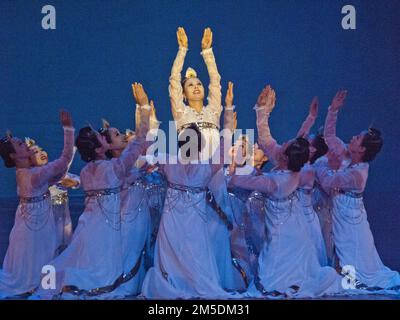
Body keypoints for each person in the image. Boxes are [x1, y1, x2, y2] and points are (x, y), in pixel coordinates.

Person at [31, 92, 152, 300]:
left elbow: (122, 181)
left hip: (87, 226)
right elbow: (139, 140)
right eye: (99, 138)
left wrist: (140, 173)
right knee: (97, 269)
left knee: (79, 258)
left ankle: (59, 284)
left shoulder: (87, 171)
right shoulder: (115, 168)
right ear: (99, 148)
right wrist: (144, 108)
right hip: (105, 229)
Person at [229, 86, 344, 298]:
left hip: (292, 226)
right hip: (292, 224)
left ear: (284, 157)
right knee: (298, 259)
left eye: (285, 146)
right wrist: (263, 112)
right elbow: (274, 140)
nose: (282, 144)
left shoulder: (290, 176)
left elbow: (239, 181)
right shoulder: (295, 168)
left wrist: (233, 167)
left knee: (280, 267)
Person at [316, 90, 400, 292]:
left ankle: (356, 280)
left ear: (362, 149)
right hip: (342, 210)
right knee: (346, 248)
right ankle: (351, 277)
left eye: (357, 138)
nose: (352, 137)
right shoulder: (346, 153)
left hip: (350, 215)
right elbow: (329, 136)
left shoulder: (358, 174)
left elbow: (328, 181)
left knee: (353, 248)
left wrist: (326, 166)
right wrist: (334, 109)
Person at [0, 111, 75, 299]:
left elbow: (57, 175)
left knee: (34, 261)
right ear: (13, 155)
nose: (24, 144)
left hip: (30, 221)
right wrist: (68, 128)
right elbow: (64, 160)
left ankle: (33, 284)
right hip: (35, 226)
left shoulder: (27, 172)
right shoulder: (33, 176)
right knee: (40, 257)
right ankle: (35, 286)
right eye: (19, 144)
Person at [169, 27, 222, 161]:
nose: (196, 87)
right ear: (184, 94)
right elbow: (175, 80)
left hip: (214, 172)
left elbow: (215, 81)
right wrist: (182, 50)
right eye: (190, 85)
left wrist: (207, 52)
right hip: (190, 173)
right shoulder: (181, 112)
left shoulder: (213, 111)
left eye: (199, 84)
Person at [25, 138, 80, 255]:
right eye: (35, 152)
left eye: (41, 150)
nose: (41, 153)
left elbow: (72, 176)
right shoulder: (36, 174)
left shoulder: (52, 169)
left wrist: (75, 182)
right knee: (51, 243)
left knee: (66, 241)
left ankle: (63, 266)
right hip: (48, 214)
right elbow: (61, 171)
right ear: (28, 161)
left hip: (64, 213)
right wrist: (72, 150)